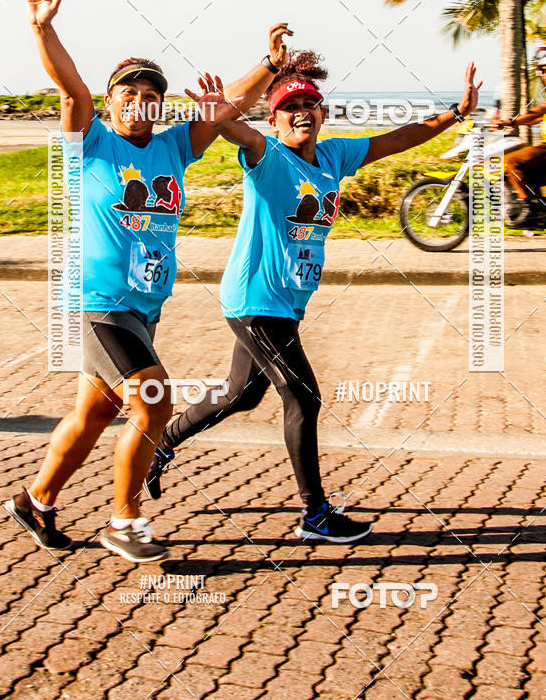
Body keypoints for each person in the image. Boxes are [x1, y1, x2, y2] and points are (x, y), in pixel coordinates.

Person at [5, 0, 292, 563]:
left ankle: (36, 500)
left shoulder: (171, 148)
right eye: (128, 92)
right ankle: (125, 520)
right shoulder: (90, 141)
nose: (140, 100)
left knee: (94, 413)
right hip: (97, 303)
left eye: (151, 93)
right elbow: (70, 89)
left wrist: (268, 65)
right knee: (156, 401)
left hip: (142, 310)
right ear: (112, 102)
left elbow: (225, 109)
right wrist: (44, 27)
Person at [146, 52, 481, 542]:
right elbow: (232, 128)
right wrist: (221, 111)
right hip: (256, 300)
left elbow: (400, 139)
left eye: (310, 104)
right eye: (289, 106)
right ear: (274, 120)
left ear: (323, 114)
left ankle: (160, 444)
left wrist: (457, 112)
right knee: (303, 397)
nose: (301, 111)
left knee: (241, 394)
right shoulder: (266, 155)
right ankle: (315, 514)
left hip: (285, 303)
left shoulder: (334, 156)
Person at [493, 46, 546, 225]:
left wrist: (511, 122)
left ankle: (527, 207)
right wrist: (506, 123)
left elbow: (541, 110)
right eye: (544, 70)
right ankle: (533, 203)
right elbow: (537, 118)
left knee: (512, 162)